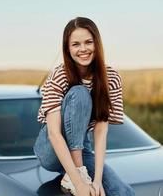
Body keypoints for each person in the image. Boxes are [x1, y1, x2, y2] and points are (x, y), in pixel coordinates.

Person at [33, 17, 135, 196]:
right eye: (75, 44)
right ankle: (75, 172)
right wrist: (79, 182)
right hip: (50, 147)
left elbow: (101, 131)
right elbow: (54, 133)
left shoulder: (110, 78)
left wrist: (96, 181)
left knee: (122, 191)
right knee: (80, 93)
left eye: (88, 42)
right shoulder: (60, 75)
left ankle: (78, 173)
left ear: (97, 43)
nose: (83, 49)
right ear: (67, 48)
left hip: (82, 147)